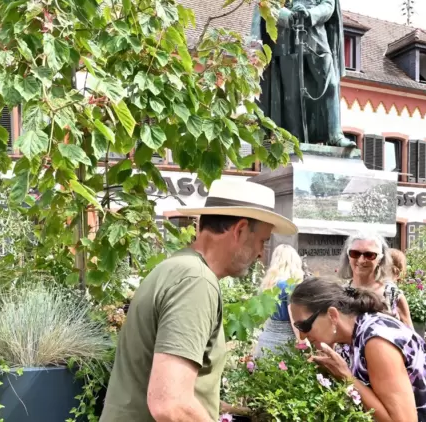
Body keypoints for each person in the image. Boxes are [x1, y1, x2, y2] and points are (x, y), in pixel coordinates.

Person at [100, 179, 298, 422]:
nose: (260, 253)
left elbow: (173, 386)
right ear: (240, 230)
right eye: (262, 241)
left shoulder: (175, 268)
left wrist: (234, 410)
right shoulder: (196, 281)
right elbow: (171, 404)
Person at [290, 278, 426, 422]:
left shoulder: (376, 341)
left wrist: (345, 377)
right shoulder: (356, 334)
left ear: (332, 315)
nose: (302, 335)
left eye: (304, 325)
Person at [251, 0, 355, 148]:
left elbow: (329, 4)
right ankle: (294, 140)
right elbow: (268, 4)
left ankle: (335, 134)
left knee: (330, 82)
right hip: (287, 39)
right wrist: (289, 17)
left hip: (316, 35)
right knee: (291, 92)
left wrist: (310, 15)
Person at [338, 231, 413, 329]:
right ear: (348, 256)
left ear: (380, 259)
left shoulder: (393, 295)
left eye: (369, 255)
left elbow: (411, 338)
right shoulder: (339, 294)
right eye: (355, 253)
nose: (361, 260)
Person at [254, 244, 305, 357]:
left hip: (265, 341)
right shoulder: (290, 286)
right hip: (284, 344)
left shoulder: (267, 286)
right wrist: (303, 344)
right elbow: (294, 320)